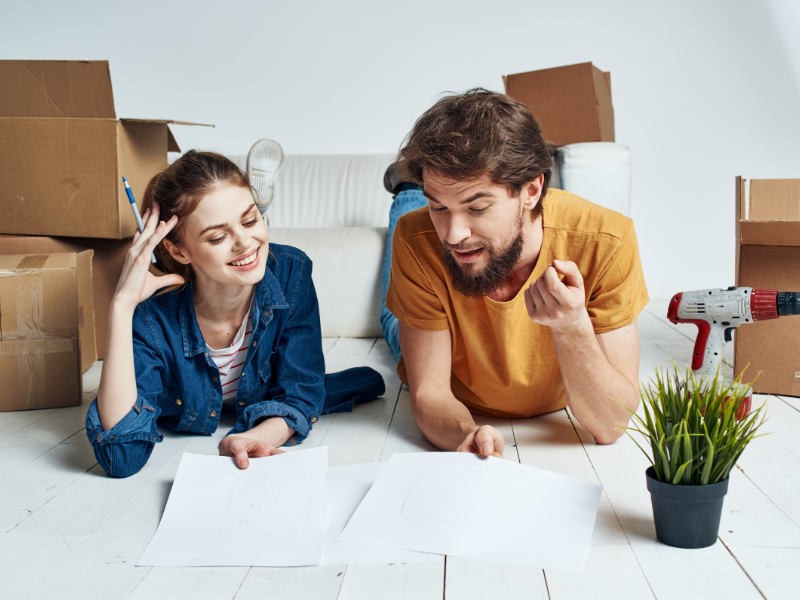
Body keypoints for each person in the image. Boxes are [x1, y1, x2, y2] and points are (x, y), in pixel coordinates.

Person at [381, 89, 648, 457]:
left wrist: (572, 327)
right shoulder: (418, 239)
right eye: (438, 206)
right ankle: (409, 195)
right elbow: (430, 392)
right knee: (391, 319)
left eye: (476, 207)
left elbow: (608, 425)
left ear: (531, 190)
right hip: (436, 334)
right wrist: (467, 433)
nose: (454, 235)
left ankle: (410, 194)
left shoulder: (609, 240)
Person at [86, 151, 384, 478]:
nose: (245, 243)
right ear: (178, 250)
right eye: (218, 236)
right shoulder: (152, 314)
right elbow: (120, 455)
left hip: (267, 396)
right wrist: (121, 306)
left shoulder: (291, 273)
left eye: (251, 219)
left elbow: (299, 396)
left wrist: (250, 438)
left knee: (358, 385)